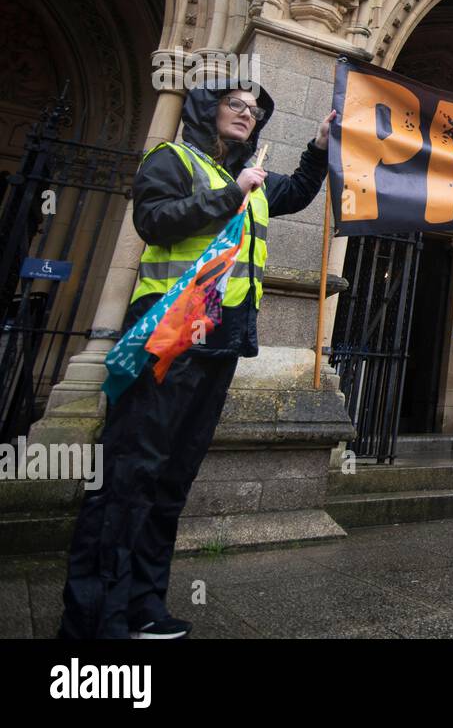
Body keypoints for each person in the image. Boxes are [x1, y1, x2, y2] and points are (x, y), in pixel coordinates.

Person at [59, 80, 334, 639]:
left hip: (220, 343)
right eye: (237, 104)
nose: (247, 114)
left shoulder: (251, 179)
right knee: (129, 474)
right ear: (208, 108)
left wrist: (320, 146)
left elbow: (301, 190)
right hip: (167, 339)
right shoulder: (174, 159)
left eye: (255, 111)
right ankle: (93, 622)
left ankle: (142, 606)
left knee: (171, 479)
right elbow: (153, 221)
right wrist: (230, 194)